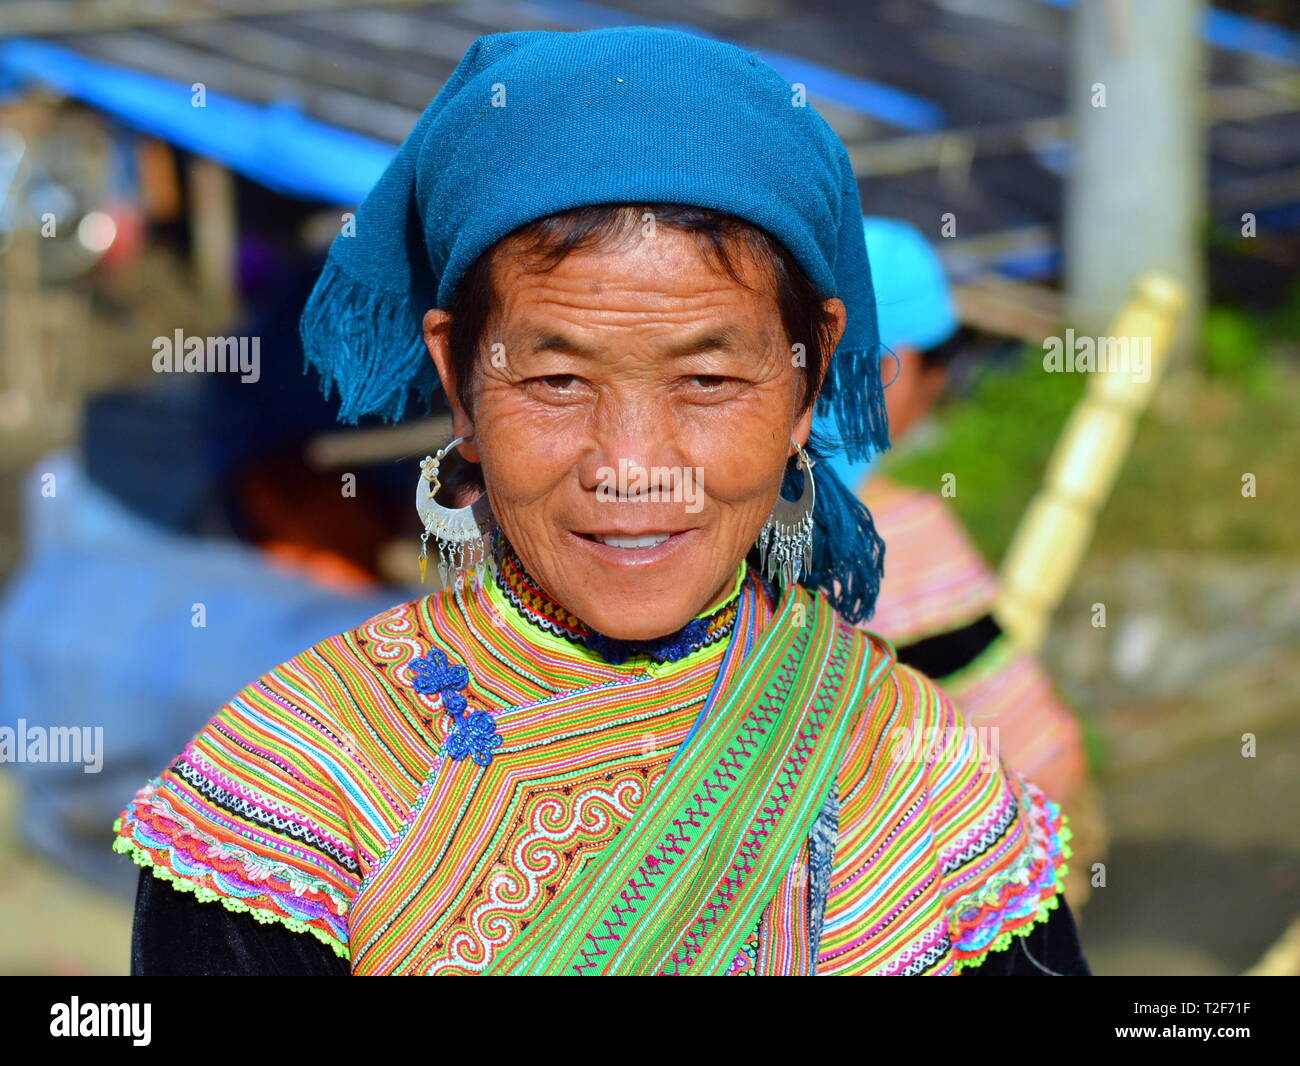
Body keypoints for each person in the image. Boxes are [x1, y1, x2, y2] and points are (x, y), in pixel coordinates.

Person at [111, 27, 1088, 976]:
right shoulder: (295, 795)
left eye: (707, 381)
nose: (629, 466)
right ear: (459, 376)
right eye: (556, 382)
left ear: (809, 375)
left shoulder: (927, 783)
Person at [816, 218, 1092, 843]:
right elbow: (1040, 759)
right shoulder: (895, 533)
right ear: (896, 365)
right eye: (941, 361)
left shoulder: (712, 512)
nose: (941, 386)